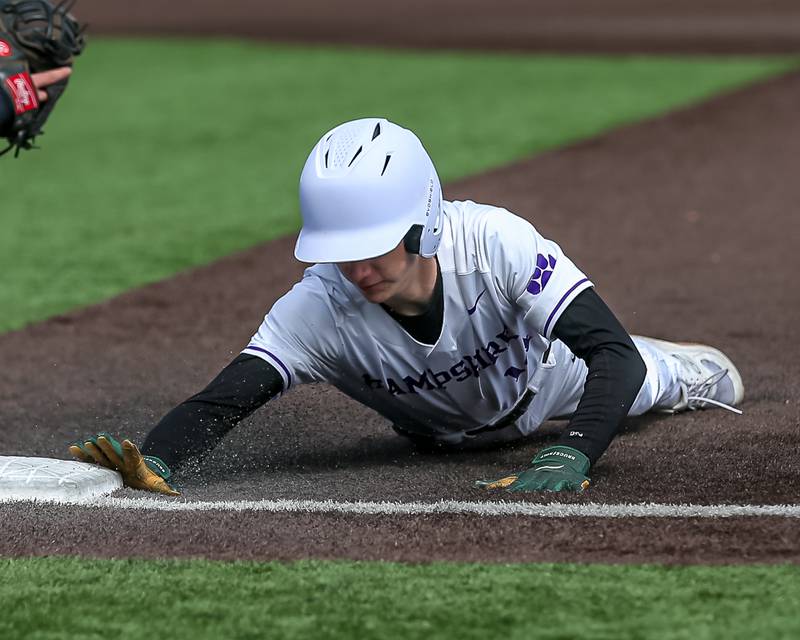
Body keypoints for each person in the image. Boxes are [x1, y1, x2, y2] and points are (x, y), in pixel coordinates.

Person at [68, 118, 744, 495]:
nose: (356, 269)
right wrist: (157, 459)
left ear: (421, 222)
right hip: (439, 437)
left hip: (550, 381)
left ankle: (686, 370)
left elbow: (609, 355)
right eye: (339, 250)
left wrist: (574, 453)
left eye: (372, 246)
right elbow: (223, 401)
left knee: (641, 377)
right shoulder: (319, 308)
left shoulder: (493, 242)